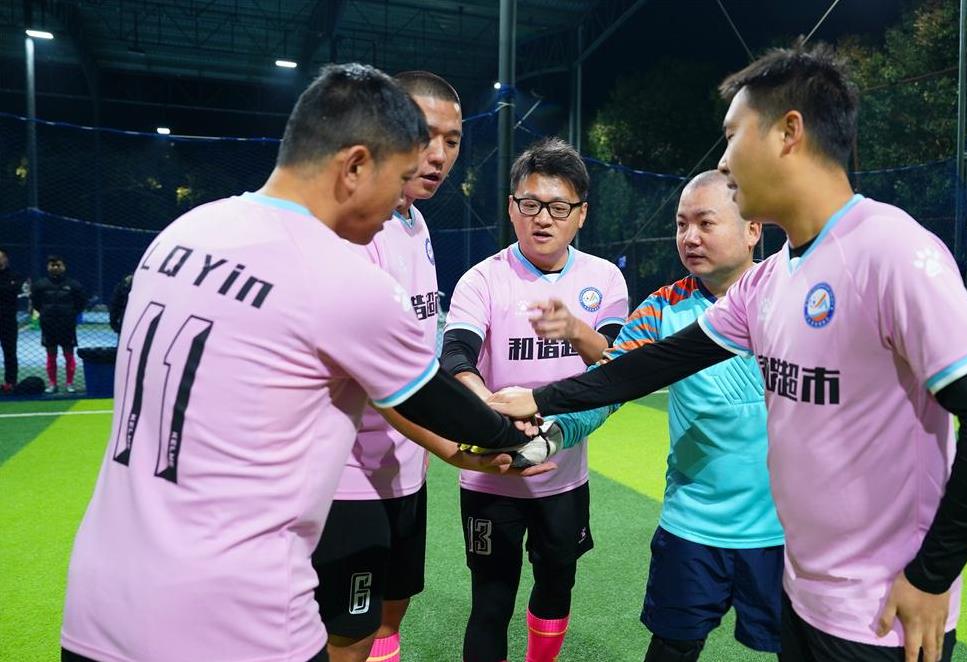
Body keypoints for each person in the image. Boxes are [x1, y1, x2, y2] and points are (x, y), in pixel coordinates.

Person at [488, 44, 967, 662]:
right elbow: (653, 363)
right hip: (804, 594)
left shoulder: (892, 251)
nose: (724, 160)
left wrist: (933, 575)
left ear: (788, 133)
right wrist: (540, 401)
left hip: (883, 615)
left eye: (732, 136)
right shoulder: (770, 280)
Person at [61, 63, 553, 662]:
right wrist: (516, 436)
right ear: (355, 166)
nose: (393, 207)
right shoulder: (336, 276)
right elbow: (432, 398)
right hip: (231, 615)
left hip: (98, 603)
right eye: (397, 177)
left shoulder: (182, 234)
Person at [551, 170, 783, 661]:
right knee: (672, 649)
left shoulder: (792, 297)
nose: (689, 237)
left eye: (705, 223)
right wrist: (550, 434)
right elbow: (610, 382)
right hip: (693, 527)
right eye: (681, 224)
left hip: (789, 532)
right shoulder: (663, 307)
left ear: (752, 229)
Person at [312, 70, 496, 662]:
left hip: (403, 465)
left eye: (452, 140)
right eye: (423, 134)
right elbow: (376, 380)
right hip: (348, 477)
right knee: (346, 635)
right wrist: (456, 440)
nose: (438, 155)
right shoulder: (352, 231)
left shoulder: (414, 221)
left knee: (392, 609)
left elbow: (416, 349)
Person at [441, 137, 629, 662]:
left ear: (581, 214)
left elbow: (616, 365)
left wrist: (574, 330)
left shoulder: (604, 279)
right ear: (511, 208)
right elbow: (456, 355)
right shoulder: (482, 279)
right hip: (492, 473)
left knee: (555, 587)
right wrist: (491, 410)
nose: (542, 218)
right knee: (490, 600)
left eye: (558, 207)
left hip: (564, 477)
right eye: (530, 204)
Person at [30, 255, 87, 393]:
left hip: (67, 325)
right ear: (48, 267)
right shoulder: (40, 285)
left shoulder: (74, 285)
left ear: (64, 267)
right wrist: (45, 313)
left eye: (58, 265)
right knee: (51, 355)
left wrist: (70, 314)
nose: (55, 267)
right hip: (48, 325)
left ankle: (70, 383)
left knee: (69, 354)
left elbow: (81, 303)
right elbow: (36, 303)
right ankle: (52, 384)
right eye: (52, 265)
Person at [0, 249, 21, 394]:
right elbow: (9, 290)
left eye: (1, 257)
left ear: (6, 259)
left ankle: (11, 383)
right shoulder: (13, 278)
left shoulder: (15, 276)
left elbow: (13, 290)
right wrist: (7, 289)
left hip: (8, 321)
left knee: (10, 353)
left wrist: (8, 289)